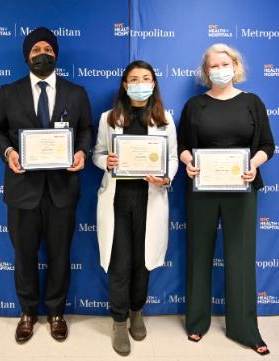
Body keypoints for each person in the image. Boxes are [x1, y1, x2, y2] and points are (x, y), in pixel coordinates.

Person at [0, 27, 93, 343]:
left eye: (47, 48)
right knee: (24, 255)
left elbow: (86, 128)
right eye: (35, 50)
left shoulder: (77, 93)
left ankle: (57, 312)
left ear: (55, 54)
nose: (42, 53)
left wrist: (82, 151)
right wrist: (9, 151)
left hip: (63, 189)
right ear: (27, 56)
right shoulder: (8, 92)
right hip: (22, 190)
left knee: (60, 254)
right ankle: (28, 312)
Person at [177, 43, 274, 356]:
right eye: (213, 66)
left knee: (241, 256)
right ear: (206, 72)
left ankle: (245, 329)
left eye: (224, 63)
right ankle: (197, 323)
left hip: (241, 189)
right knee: (198, 254)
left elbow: (267, 146)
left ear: (235, 65)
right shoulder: (195, 106)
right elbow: (182, 146)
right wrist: (188, 162)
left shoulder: (252, 103)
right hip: (202, 190)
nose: (219, 69)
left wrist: (253, 164)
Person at [93, 60, 178, 356]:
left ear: (153, 83)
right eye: (134, 78)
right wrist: (107, 162)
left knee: (142, 261)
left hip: (149, 199)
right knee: (119, 263)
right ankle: (119, 321)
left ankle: (137, 313)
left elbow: (173, 159)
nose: (140, 82)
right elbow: (98, 154)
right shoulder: (108, 118)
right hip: (117, 200)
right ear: (125, 85)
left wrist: (165, 176)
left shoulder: (165, 119)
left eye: (146, 78)